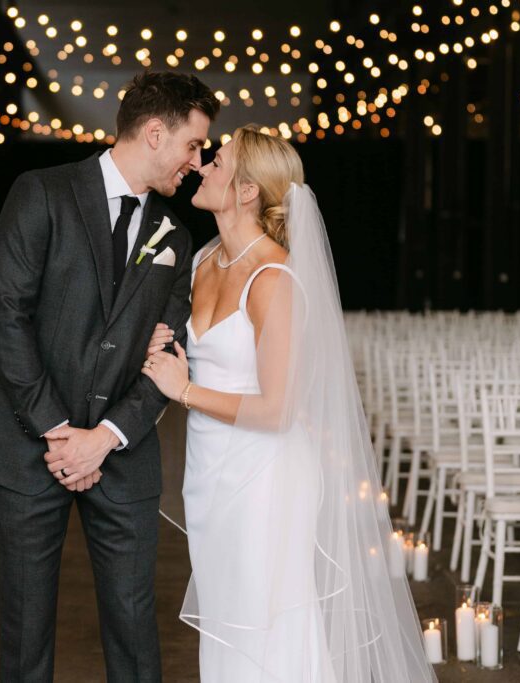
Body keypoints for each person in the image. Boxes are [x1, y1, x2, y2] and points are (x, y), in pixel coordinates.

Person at [142, 126, 436, 681]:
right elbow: (191, 355)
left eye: (217, 160)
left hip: (267, 479)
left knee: (268, 626)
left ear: (247, 190)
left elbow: (277, 410)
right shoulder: (206, 260)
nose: (202, 164)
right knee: (228, 623)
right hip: (211, 476)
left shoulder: (274, 277)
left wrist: (182, 390)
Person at [0, 71, 219, 682]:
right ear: (156, 133)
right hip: (26, 448)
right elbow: (6, 318)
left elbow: (168, 356)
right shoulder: (41, 192)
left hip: (121, 455)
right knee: (24, 630)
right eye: (193, 144)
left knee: (135, 626)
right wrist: (58, 430)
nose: (198, 161)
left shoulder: (176, 239)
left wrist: (103, 437)